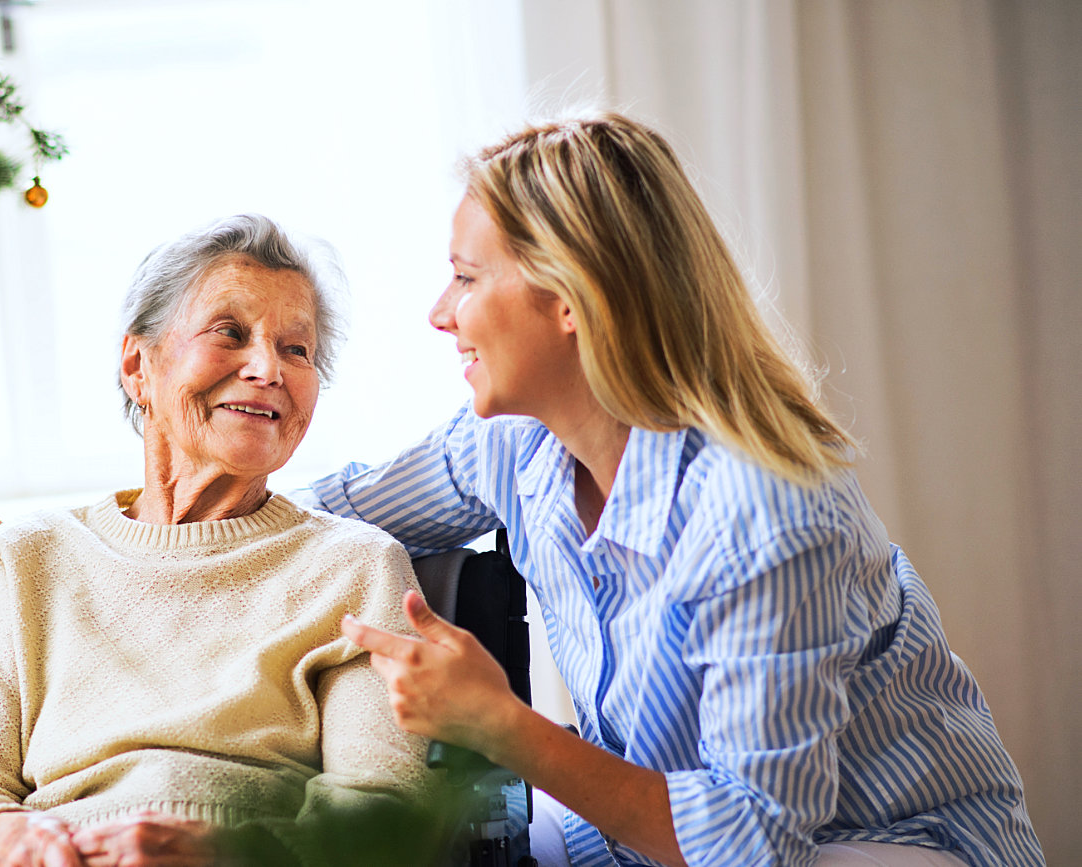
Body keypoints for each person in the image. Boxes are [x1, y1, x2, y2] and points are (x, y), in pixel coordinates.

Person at [323, 112, 1044, 867]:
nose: (441, 314)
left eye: (467, 277)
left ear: (570, 297)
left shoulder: (766, 512)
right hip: (653, 838)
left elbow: (750, 840)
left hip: (876, 845)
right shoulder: (515, 441)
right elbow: (331, 514)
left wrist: (502, 725)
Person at [0, 215, 440, 867]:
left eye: (297, 349)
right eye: (230, 333)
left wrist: (228, 852)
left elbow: (381, 814)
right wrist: (7, 838)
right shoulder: (23, 559)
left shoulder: (357, 568)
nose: (268, 367)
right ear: (138, 365)